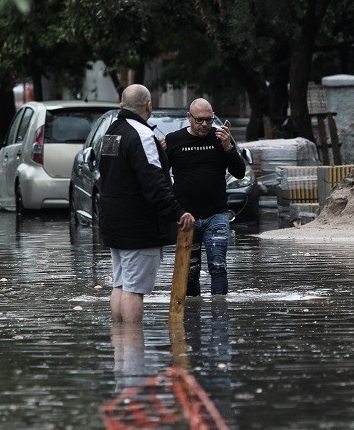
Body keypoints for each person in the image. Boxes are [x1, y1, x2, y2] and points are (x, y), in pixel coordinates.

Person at [98, 84, 194, 324]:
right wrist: (177, 212)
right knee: (134, 289)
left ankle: (121, 347)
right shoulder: (141, 134)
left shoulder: (112, 132)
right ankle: (133, 348)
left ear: (122, 105)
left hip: (113, 221)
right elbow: (153, 182)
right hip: (138, 225)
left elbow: (114, 172)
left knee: (120, 284)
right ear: (148, 106)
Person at [165, 98, 246, 297]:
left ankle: (220, 314)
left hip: (216, 215)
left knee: (218, 266)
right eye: (199, 120)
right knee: (190, 272)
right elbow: (161, 175)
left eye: (209, 120)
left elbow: (240, 172)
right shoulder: (174, 140)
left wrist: (228, 147)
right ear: (189, 118)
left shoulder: (221, 137)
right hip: (186, 217)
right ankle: (193, 317)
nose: (204, 125)